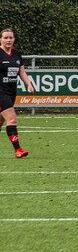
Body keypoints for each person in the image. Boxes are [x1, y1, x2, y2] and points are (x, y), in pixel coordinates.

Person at [0, 29, 34, 158]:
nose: (8, 40)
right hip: (0, 91)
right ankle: (18, 150)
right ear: (1, 39)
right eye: (5, 37)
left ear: (14, 39)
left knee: (1, 121)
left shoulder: (16, 54)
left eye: (10, 37)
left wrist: (28, 84)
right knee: (12, 119)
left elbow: (22, 72)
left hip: (11, 92)